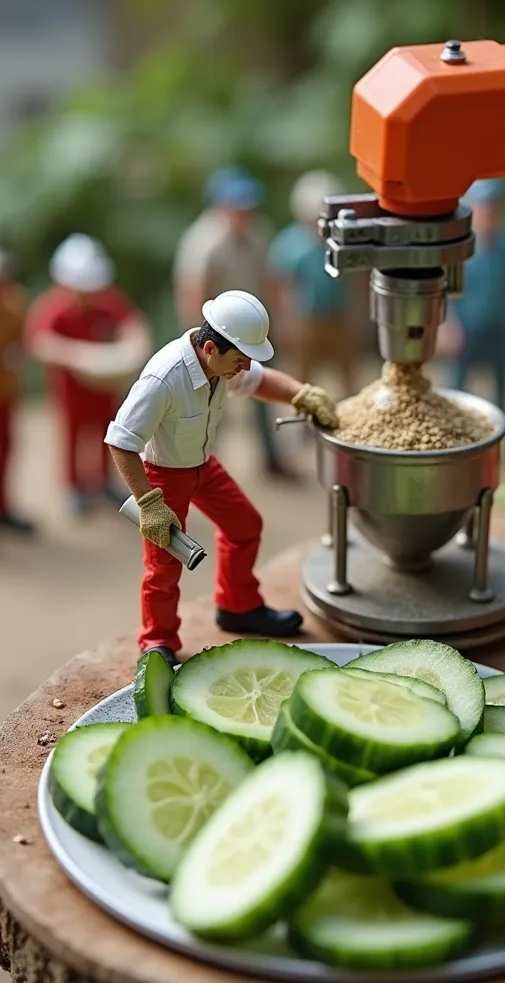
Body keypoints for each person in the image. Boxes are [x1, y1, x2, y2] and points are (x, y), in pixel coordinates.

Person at [105, 289, 338, 665]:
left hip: (203, 465)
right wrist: (149, 503)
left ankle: (238, 605)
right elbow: (121, 442)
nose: (245, 367)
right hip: (162, 476)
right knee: (163, 565)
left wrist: (301, 394)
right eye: (241, 359)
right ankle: (157, 641)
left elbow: (261, 381)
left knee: (245, 524)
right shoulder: (163, 378)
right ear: (211, 347)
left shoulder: (224, 364)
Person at [173, 166, 294, 478]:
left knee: (262, 392)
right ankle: (206, 462)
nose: (245, 213)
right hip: (216, 336)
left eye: (248, 207)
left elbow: (271, 278)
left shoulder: (258, 232)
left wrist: (277, 321)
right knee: (212, 401)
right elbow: (192, 292)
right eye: (238, 207)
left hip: (253, 331)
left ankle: (270, 456)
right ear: (220, 206)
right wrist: (201, 343)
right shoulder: (202, 242)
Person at [25, 234, 151, 515]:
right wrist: (78, 356)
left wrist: (131, 350)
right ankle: (74, 486)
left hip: (105, 383)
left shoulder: (108, 300)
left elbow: (133, 323)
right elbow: (39, 341)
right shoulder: (54, 306)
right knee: (72, 433)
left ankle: (104, 481)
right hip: (71, 385)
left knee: (109, 430)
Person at [437, 178, 505, 414]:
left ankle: (502, 432)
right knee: (457, 386)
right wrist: (446, 328)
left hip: (499, 328)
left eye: (495, 205)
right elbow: (441, 290)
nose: (491, 211)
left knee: (503, 385)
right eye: (485, 205)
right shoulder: (458, 246)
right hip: (465, 329)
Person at [267, 170, 356, 398]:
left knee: (347, 374)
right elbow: (281, 286)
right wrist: (283, 323)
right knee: (302, 379)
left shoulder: (340, 242)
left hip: (338, 317)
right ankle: (300, 425)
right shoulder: (290, 244)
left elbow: (354, 280)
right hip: (305, 321)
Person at [0, 245, 35, 534]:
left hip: (5, 390)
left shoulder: (14, 303)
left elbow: (22, 341)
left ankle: (3, 504)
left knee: (5, 447)